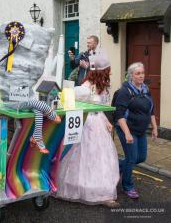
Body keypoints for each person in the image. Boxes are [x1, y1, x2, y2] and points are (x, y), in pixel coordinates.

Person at [56, 55, 120, 208]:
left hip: (98, 123)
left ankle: (102, 191)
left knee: (100, 157)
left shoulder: (103, 86)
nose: (110, 73)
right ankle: (77, 187)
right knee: (84, 155)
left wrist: (106, 121)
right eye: (108, 71)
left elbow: (101, 108)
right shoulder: (86, 86)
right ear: (102, 72)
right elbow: (69, 94)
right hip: (87, 123)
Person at [113, 62, 157, 199]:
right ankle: (128, 186)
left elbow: (151, 110)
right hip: (127, 129)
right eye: (138, 73)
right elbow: (119, 114)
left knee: (140, 157)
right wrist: (126, 133)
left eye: (142, 73)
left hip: (141, 130)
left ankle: (117, 167)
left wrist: (154, 127)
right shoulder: (124, 92)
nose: (141, 76)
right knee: (131, 158)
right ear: (131, 75)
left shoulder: (145, 89)